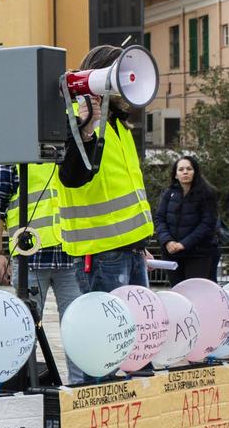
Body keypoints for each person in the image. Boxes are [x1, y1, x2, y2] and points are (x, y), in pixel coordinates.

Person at [57, 46, 155, 293]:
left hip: (129, 248)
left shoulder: (119, 127)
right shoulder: (72, 119)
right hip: (100, 251)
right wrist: (85, 129)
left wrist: (138, 245)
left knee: (136, 328)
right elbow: (72, 177)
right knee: (111, 330)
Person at [0, 161, 83, 385]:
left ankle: (79, 387)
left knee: (77, 327)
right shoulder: (12, 159)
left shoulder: (70, 153)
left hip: (72, 254)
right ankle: (26, 387)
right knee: (24, 330)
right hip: (30, 257)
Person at [153, 155, 219, 282]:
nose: (185, 172)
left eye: (189, 169)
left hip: (199, 253)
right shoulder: (168, 193)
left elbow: (207, 224)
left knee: (196, 291)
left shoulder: (207, 193)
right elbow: (159, 219)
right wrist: (168, 241)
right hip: (172, 254)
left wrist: (183, 244)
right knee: (178, 292)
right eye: (181, 169)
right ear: (175, 174)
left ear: (195, 172)